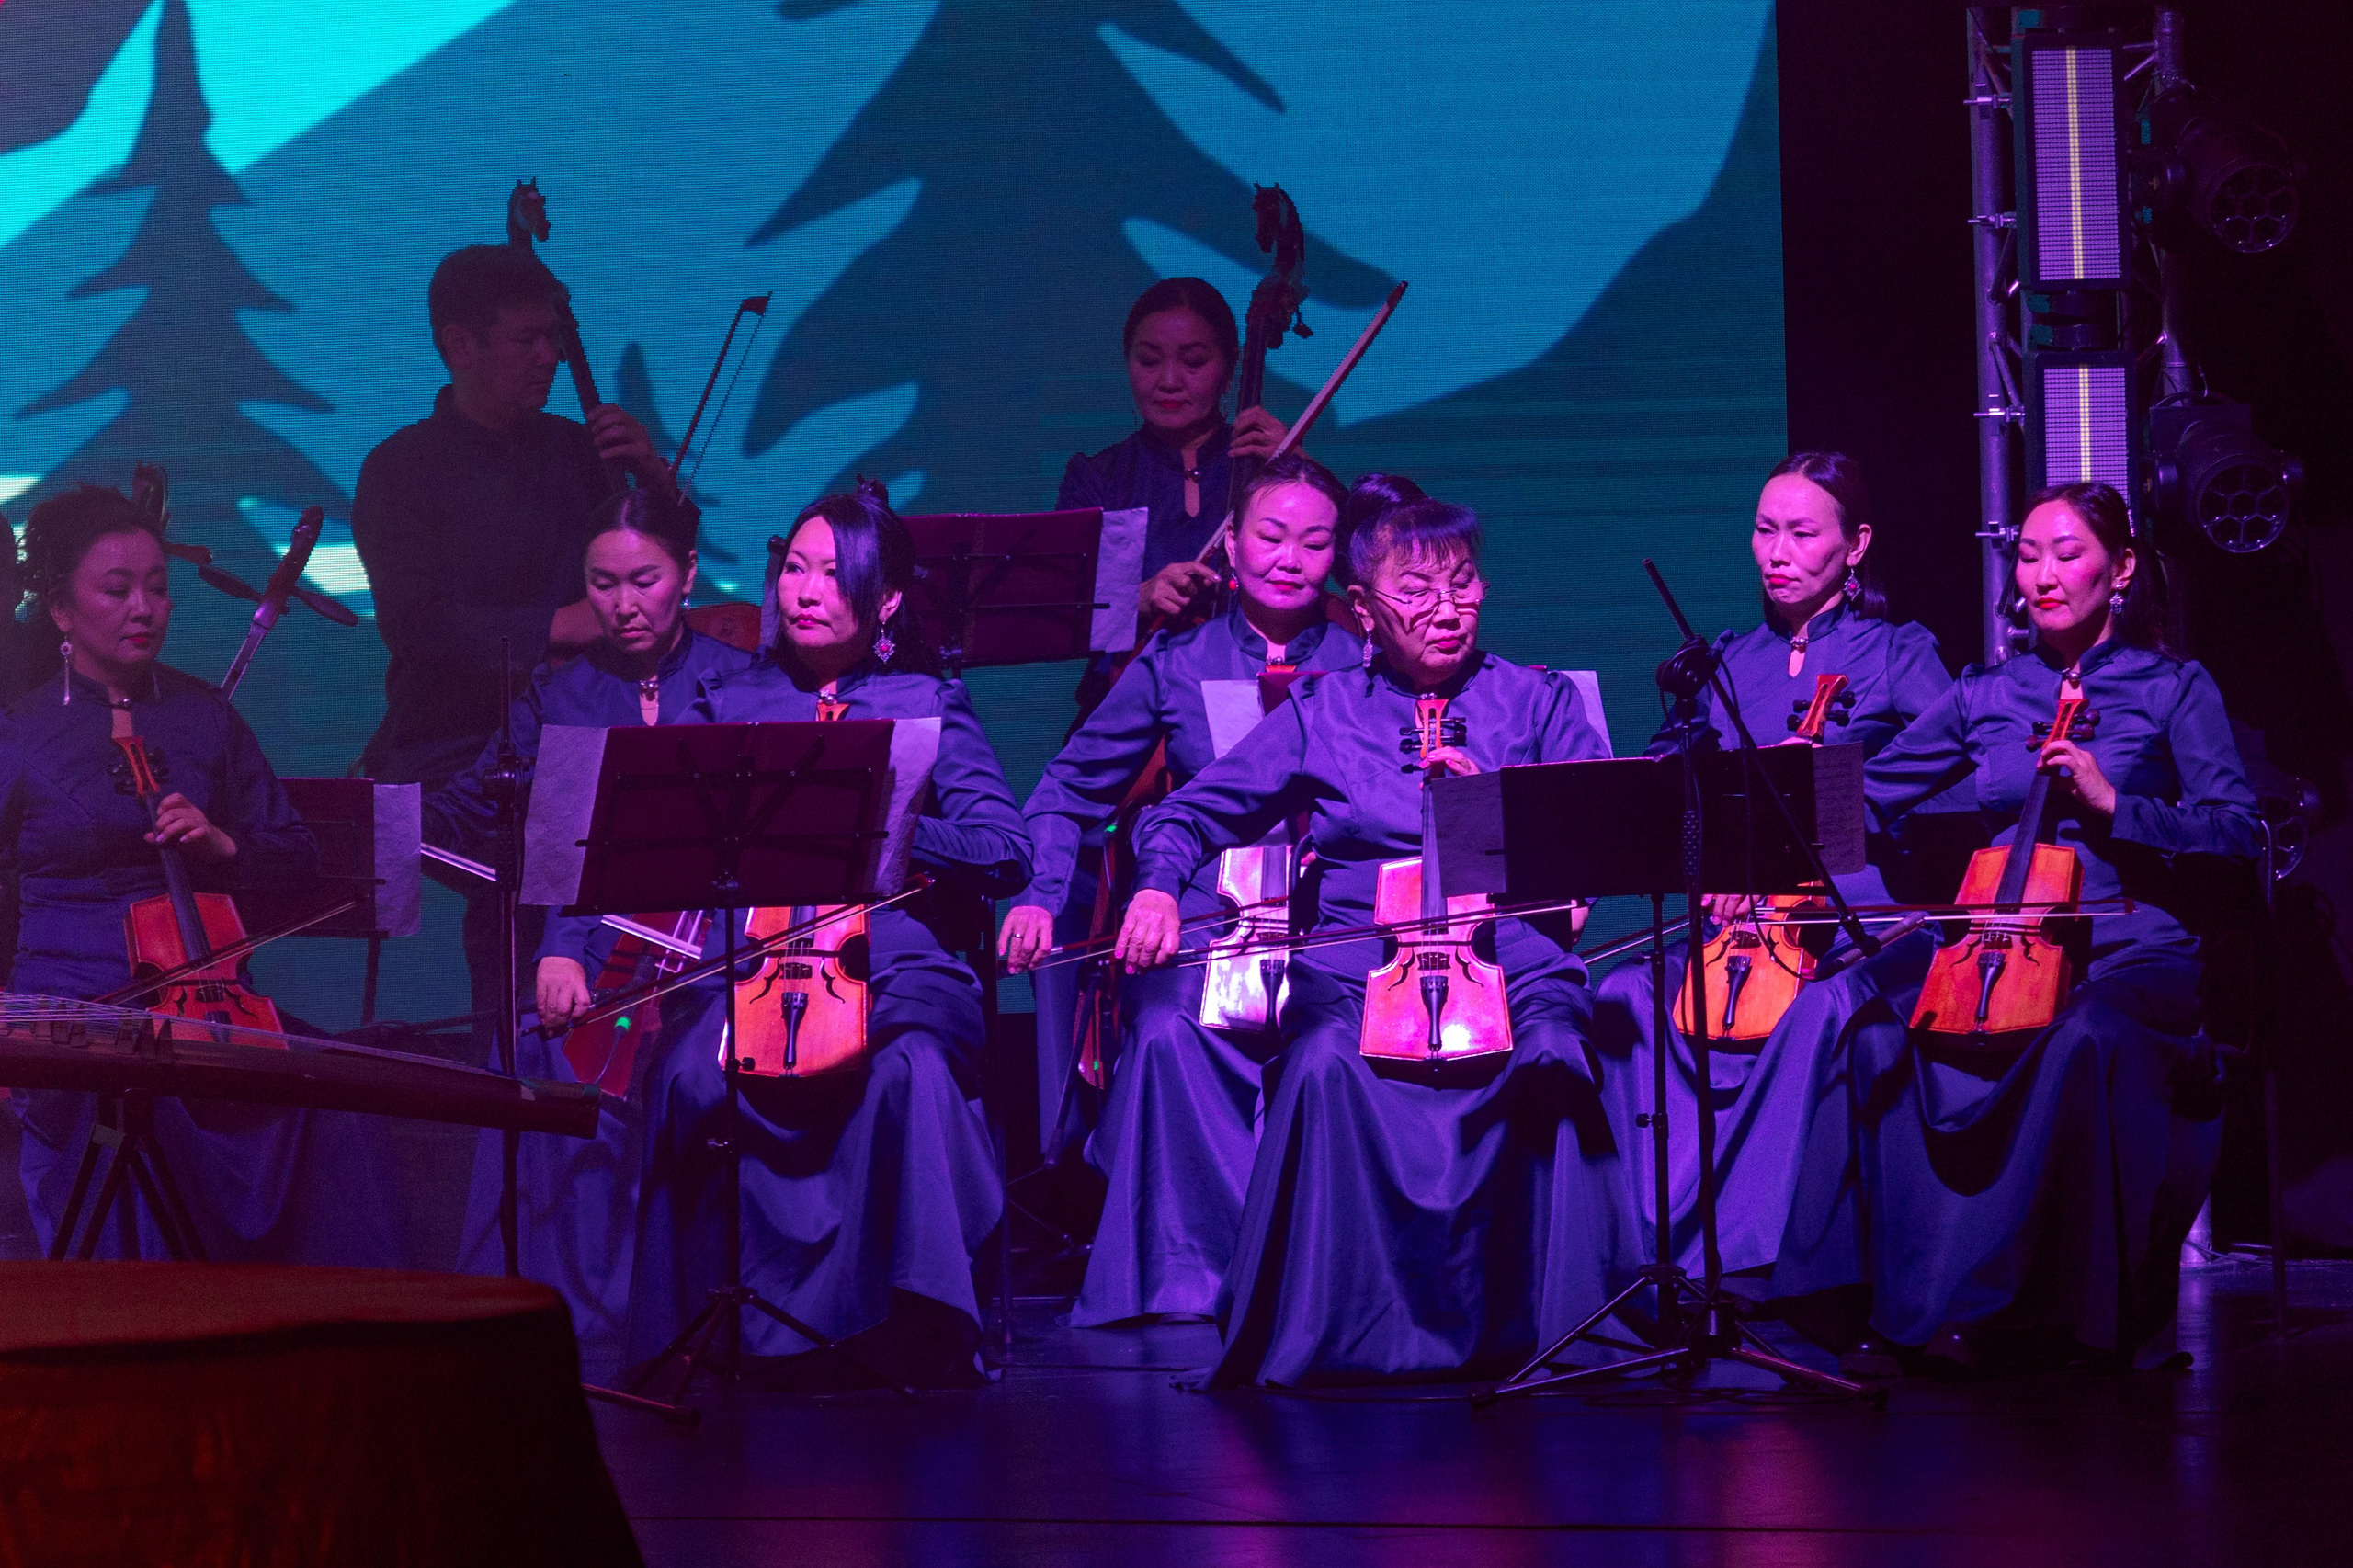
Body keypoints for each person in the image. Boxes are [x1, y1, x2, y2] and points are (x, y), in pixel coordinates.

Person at [1118, 495, 1631, 1385]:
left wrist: (1492, 809)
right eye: (1417, 588)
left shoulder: (1534, 698)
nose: (1445, 607)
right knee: (1320, 1057)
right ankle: (1324, 1321)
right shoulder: (1324, 710)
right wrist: (1159, 884)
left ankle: (1567, 1323)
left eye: (1462, 585)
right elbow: (1191, 809)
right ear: (1362, 608)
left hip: (1511, 941)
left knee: (1554, 1048)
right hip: (1360, 949)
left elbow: (1602, 840)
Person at [1773, 481, 2258, 1375]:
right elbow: (1868, 793)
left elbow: (2238, 834)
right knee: (1861, 1017)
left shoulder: (2171, 688)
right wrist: (1788, 781)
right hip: (1996, 946)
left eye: (2064, 554)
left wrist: (2118, 804)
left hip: (2131, 946)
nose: (2040, 574)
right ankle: (1840, 1300)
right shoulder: (1986, 692)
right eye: (2026, 555)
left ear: (2119, 570)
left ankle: (2029, 1310)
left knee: (2084, 1033)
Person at [551, 482, 1031, 1387]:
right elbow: (634, 847)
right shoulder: (730, 701)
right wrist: (560, 946)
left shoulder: (929, 701)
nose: (804, 591)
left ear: (886, 599)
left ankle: (916, 1320)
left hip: (896, 973)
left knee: (910, 1068)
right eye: (794, 569)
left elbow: (1004, 850)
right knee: (689, 1072)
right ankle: (695, 1323)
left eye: (832, 574)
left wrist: (880, 819)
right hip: (747, 973)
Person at [1000, 454, 1364, 1326]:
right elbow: (1068, 786)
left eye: (1315, 543)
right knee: (1164, 1028)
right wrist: (1041, 891)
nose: (1290, 558)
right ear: (1231, 542)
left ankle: (1319, 1274)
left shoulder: (1366, 658)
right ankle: (1191, 1275)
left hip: (1339, 915)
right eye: (1270, 536)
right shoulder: (1179, 659)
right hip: (1209, 911)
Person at [0, 484, 396, 1263]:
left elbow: (295, 858)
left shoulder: (204, 715)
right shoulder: (20, 735)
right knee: (133, 1109)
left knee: (337, 1103)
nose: (144, 607)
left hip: (209, 1003)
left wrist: (223, 846)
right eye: (117, 590)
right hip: (73, 1009)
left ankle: (323, 1342)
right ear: (61, 611)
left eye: (157, 588)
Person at [1589, 453, 1953, 1278]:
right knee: (1623, 996)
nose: (1776, 551)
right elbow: (1677, 790)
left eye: (1801, 533)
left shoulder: (1898, 653)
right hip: (1743, 926)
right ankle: (1649, 1242)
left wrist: (1836, 790)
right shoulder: (1727, 662)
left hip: (1861, 921)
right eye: (1765, 530)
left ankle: (1763, 1250)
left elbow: (1956, 784)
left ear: (1856, 546)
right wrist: (1718, 852)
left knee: (1819, 1009)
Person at [424, 486, 752, 1361]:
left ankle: (652, 1319)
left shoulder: (740, 683)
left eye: (644, 579)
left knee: (666, 1059)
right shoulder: (562, 692)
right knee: (529, 1049)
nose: (623, 603)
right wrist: (385, 822)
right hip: (596, 939)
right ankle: (539, 1319)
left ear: (686, 575)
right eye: (601, 583)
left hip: (714, 943)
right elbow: (480, 799)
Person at [351, 241, 670, 1051]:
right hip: (450, 747)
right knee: (537, 851)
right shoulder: (400, 470)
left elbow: (659, 567)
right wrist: (555, 626)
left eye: (554, 339)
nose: (551, 357)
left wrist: (658, 483)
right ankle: (522, 1063)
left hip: (573, 737)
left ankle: (639, 1051)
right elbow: (418, 626)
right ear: (461, 345)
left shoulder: (578, 453)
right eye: (527, 339)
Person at [1032, 278, 1296, 1161]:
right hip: (1119, 722)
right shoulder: (1097, 476)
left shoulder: (1266, 460)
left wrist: (1292, 474)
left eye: (1195, 359)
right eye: (1150, 359)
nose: (1171, 378)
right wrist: (1139, 594)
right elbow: (1057, 616)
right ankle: (1068, 1146)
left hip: (1238, 727)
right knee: (1067, 892)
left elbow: (1324, 575)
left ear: (1230, 364)